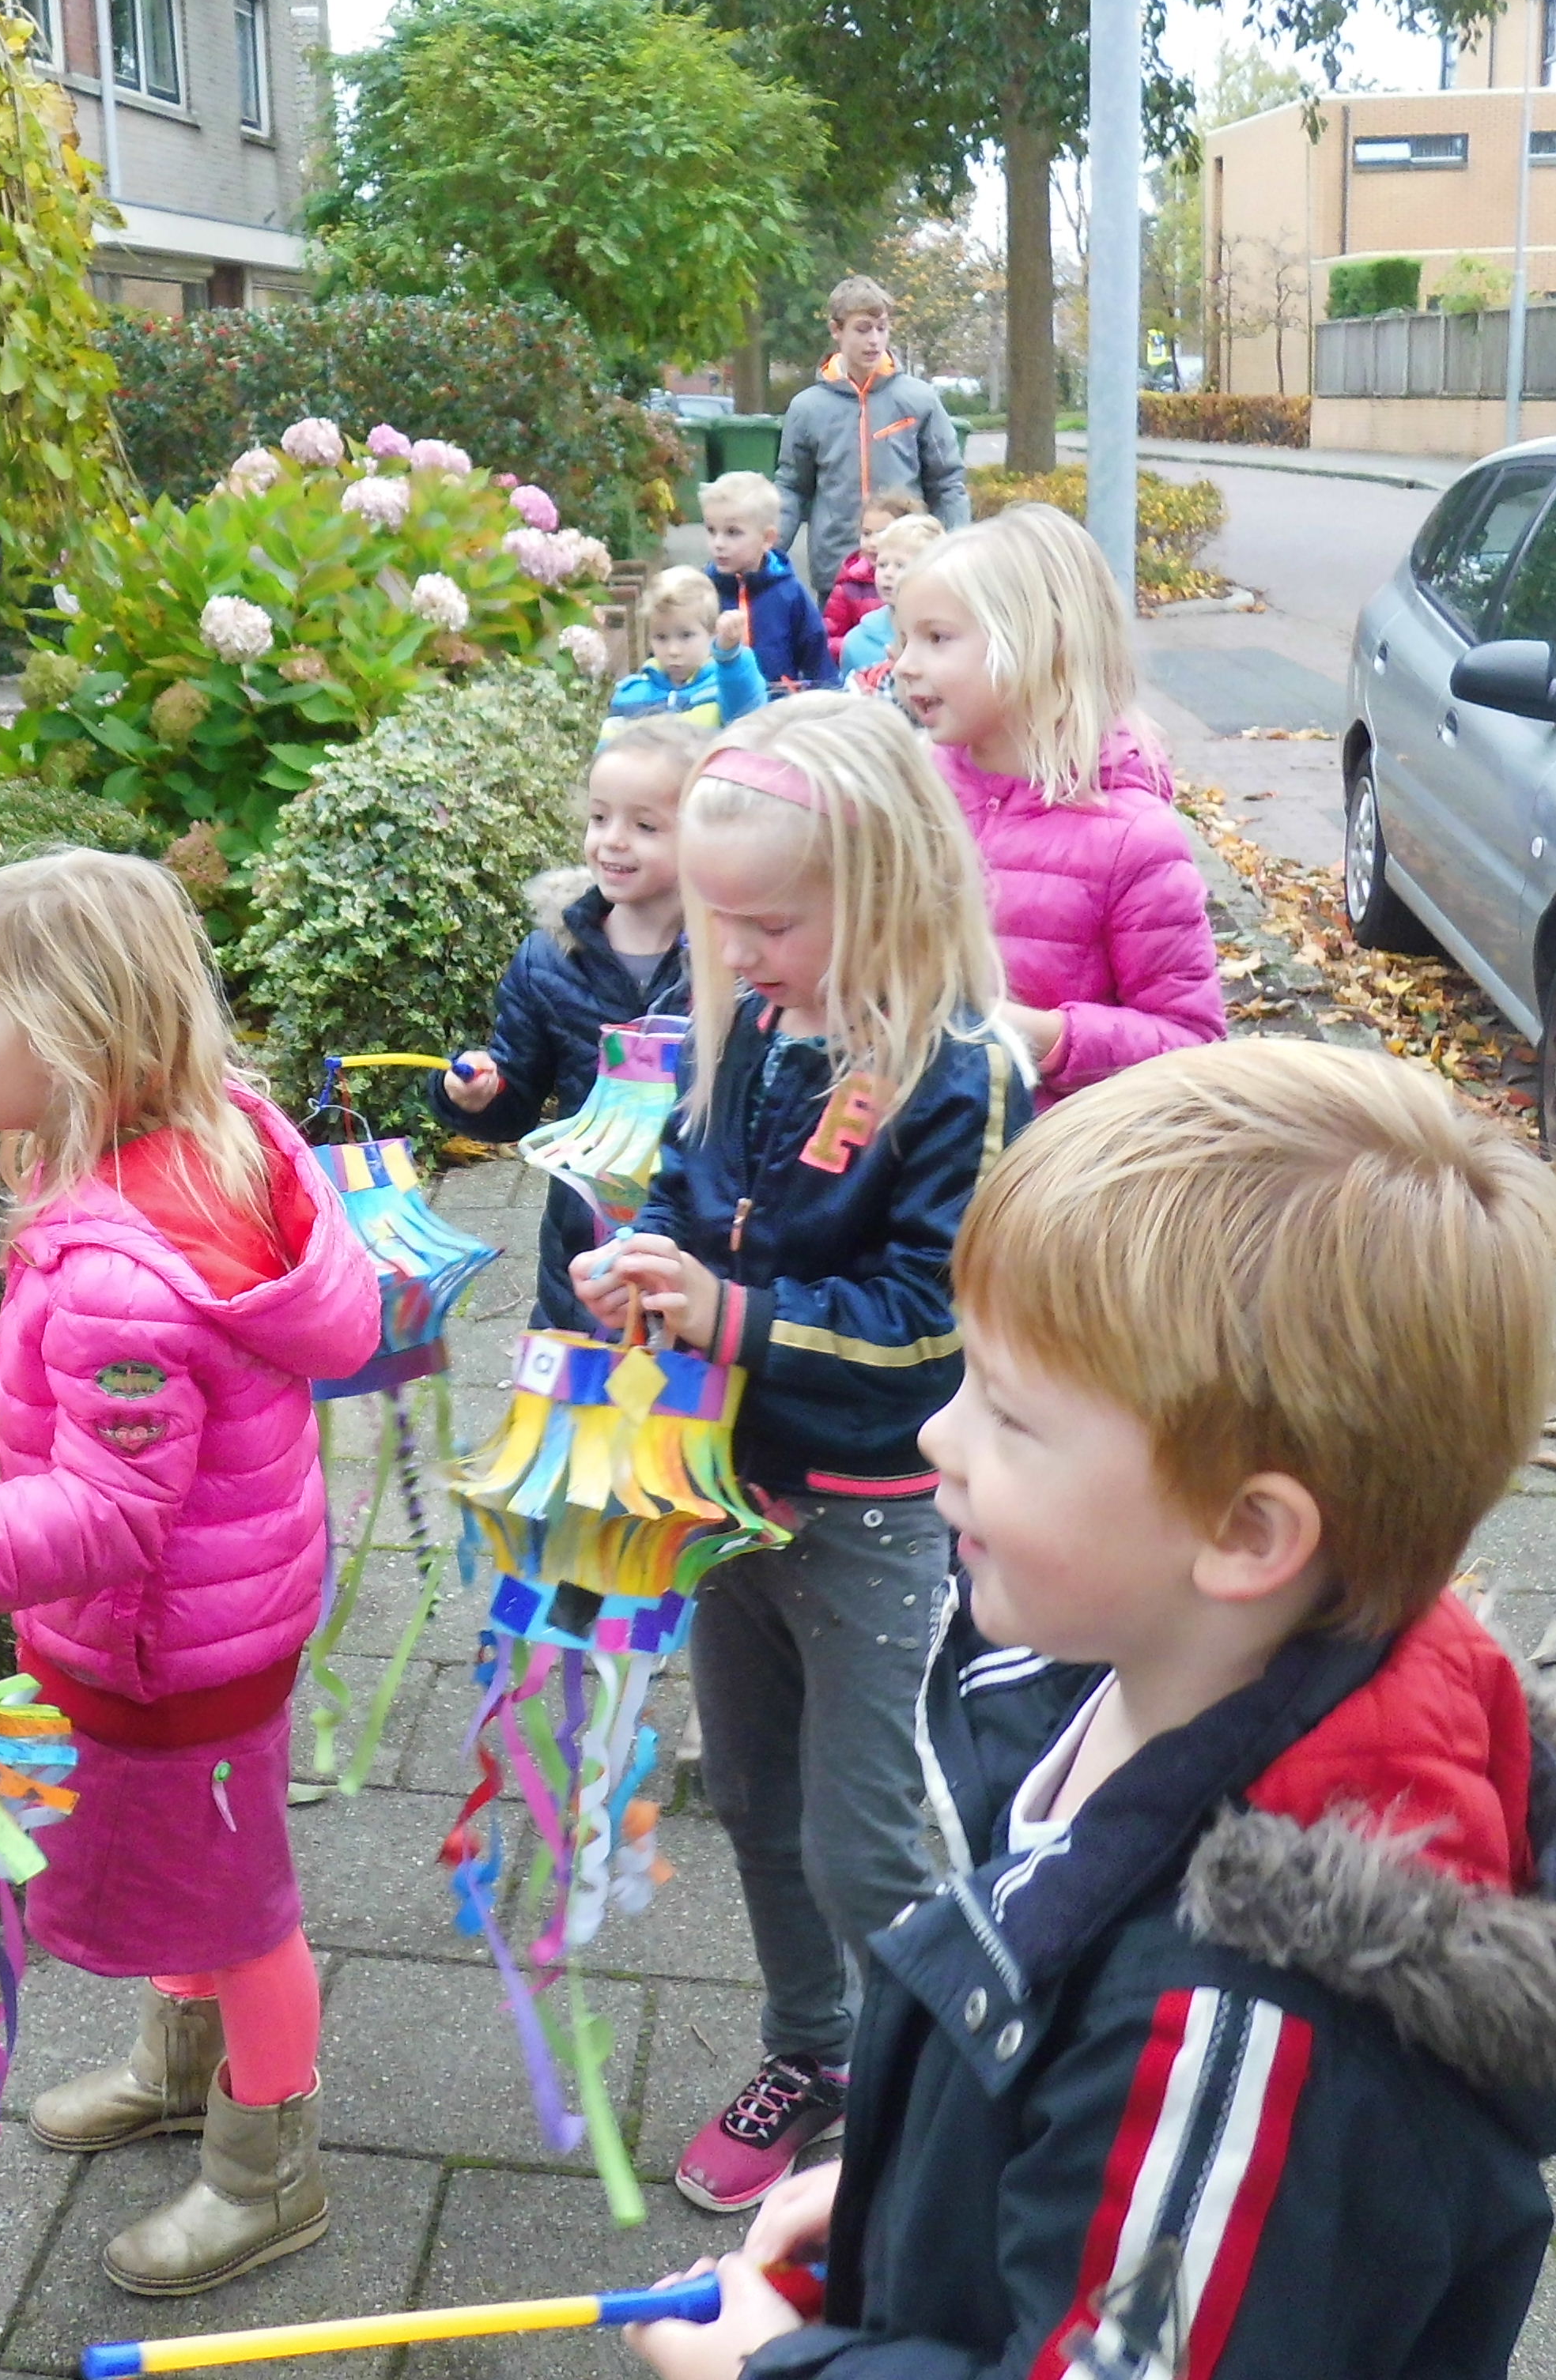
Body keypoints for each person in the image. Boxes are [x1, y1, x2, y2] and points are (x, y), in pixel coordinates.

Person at [628, 1038, 1556, 2380]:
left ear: (1243, 1534)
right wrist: (908, 2191)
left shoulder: (1230, 2033)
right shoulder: (1152, 1665)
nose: (938, 1437)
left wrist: (765, 2371)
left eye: (1009, 1417)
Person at [0, 850, 382, 2301]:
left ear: (71, 1037)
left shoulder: (118, 1278)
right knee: (187, 1868)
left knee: (242, 1903)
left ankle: (267, 2169)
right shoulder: (192, 1154)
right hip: (199, 1623)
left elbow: (108, 1518)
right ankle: (180, 2062)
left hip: (173, 1648)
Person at [571, 693, 1023, 2215]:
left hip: (874, 1516)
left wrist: (731, 1314)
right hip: (726, 1492)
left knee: (865, 1842)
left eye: (769, 923)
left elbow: (932, 1332)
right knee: (757, 1804)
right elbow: (689, 1193)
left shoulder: (960, 1071)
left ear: (887, 886)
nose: (740, 952)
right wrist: (645, 1263)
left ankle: (941, 2093)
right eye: (723, 922)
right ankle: (814, 2051)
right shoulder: (757, 1027)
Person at [896, 506, 1226, 1096]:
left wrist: (1039, 1036)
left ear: (1041, 643)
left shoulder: (1133, 839)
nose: (904, 665)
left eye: (936, 638)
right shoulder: (914, 787)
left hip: (1045, 1145)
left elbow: (1192, 1046)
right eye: (903, 640)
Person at [437, 715, 707, 1328]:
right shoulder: (550, 957)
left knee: (683, 1380)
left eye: (644, 826)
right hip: (584, 1249)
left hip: (697, 1239)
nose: (612, 841)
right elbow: (518, 1103)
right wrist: (479, 1095)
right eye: (599, 817)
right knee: (581, 1374)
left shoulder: (733, 956)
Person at [776, 277, 968, 602]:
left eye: (882, 328)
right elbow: (792, 487)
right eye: (863, 329)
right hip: (837, 575)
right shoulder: (807, 408)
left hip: (907, 571)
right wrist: (765, 554)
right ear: (836, 330)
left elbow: (947, 482)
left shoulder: (919, 399)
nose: (874, 340)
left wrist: (955, 551)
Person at [701, 473, 832, 696]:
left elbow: (817, 655)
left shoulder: (789, 593)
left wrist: (828, 699)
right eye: (711, 530)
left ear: (767, 539)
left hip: (778, 705)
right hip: (715, 704)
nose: (718, 543)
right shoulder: (703, 591)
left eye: (733, 532)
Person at [611, 564, 767, 731]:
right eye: (661, 637)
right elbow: (609, 745)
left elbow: (748, 713)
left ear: (712, 633)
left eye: (686, 636)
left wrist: (731, 657)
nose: (673, 651)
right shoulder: (630, 695)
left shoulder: (723, 688)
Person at [835, 513, 947, 693]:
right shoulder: (858, 640)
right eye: (882, 565)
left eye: (901, 566)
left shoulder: (949, 635)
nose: (887, 574)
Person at [818, 490, 924, 651]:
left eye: (883, 533)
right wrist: (857, 646)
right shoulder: (849, 585)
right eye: (866, 534)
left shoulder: (922, 583)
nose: (872, 542)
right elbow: (827, 639)